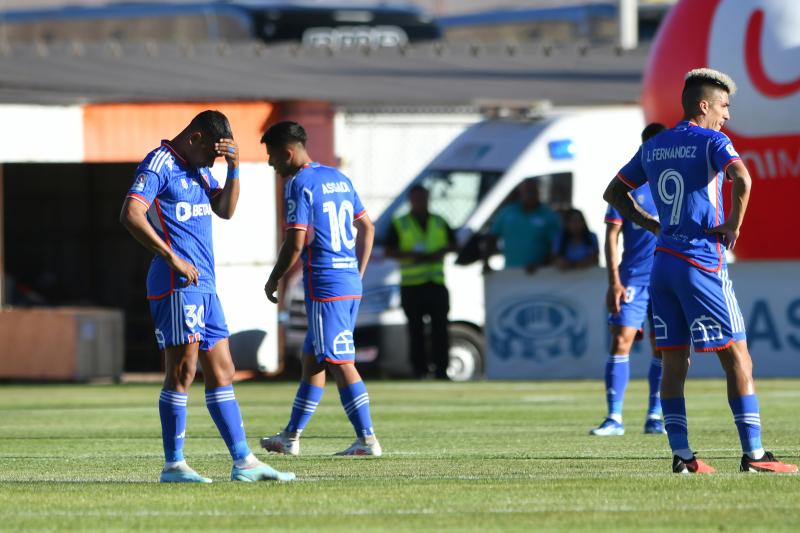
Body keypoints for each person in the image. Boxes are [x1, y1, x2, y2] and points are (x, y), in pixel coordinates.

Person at [603, 68, 797, 474]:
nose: (727, 116)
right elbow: (742, 177)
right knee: (739, 358)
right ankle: (756, 455)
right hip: (700, 262)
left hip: (663, 265)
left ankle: (684, 456)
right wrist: (734, 226)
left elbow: (613, 192)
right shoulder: (712, 141)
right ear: (704, 105)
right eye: (724, 106)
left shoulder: (655, 145)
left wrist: (652, 224)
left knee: (674, 363)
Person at [119, 110, 294, 483]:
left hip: (205, 284)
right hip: (176, 282)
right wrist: (172, 257)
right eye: (212, 155)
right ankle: (174, 465)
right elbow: (131, 214)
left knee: (223, 370)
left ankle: (244, 463)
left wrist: (233, 167)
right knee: (182, 371)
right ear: (195, 138)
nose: (212, 163)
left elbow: (226, 210)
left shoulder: (200, 168)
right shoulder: (160, 163)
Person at [260, 121, 381, 457]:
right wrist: (356, 271)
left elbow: (295, 243)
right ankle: (291, 437)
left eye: (272, 156)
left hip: (326, 284)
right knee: (313, 359)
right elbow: (367, 228)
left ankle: (367, 439)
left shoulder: (299, 183)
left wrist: (275, 278)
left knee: (339, 361)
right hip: (347, 281)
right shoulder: (338, 178)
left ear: (287, 152)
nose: (271, 164)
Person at [590, 122, 666, 437]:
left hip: (666, 276)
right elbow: (611, 235)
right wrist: (614, 281)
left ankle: (655, 414)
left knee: (663, 346)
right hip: (633, 276)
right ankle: (614, 418)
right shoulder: (628, 186)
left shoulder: (675, 183)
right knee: (621, 339)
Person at [385, 185, 457, 380]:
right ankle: (419, 371)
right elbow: (388, 250)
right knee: (415, 330)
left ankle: (442, 371)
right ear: (411, 201)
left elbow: (454, 244)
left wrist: (439, 252)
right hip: (412, 286)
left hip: (435, 283)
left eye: (423, 198)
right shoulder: (400, 223)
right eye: (416, 199)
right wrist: (410, 255)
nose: (420, 202)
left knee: (440, 329)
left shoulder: (439, 221)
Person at [484, 178, 561, 273]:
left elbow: (557, 245)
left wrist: (542, 263)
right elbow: (492, 236)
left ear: (538, 192)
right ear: (521, 193)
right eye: (527, 191)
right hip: (511, 272)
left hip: (539, 274)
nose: (530, 195)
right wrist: (486, 261)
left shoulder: (549, 215)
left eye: (532, 191)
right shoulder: (508, 212)